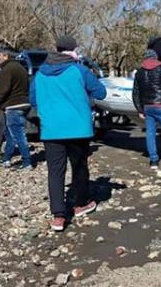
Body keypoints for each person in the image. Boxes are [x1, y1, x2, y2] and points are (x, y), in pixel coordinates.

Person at [30, 36, 107, 232]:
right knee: (79, 167)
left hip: (51, 129)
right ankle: (80, 204)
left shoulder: (40, 74)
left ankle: (58, 216)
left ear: (56, 49)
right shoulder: (79, 69)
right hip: (78, 128)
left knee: (55, 172)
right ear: (74, 49)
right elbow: (101, 92)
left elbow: (32, 100)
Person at [0, 48, 32, 170]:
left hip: (13, 105)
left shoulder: (7, 69)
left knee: (18, 135)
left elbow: (3, 89)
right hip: (24, 103)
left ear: (6, 56)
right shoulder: (21, 68)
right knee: (11, 134)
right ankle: (7, 157)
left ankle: (27, 161)